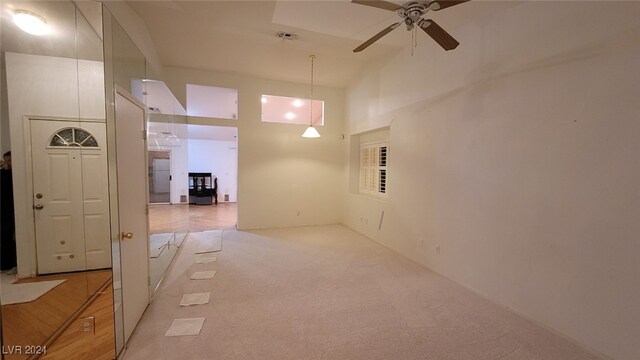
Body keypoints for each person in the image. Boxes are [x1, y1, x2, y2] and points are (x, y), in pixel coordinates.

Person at [1, 151, 17, 271]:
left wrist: (6, 171)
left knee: (10, 235)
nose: (7, 163)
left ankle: (12, 263)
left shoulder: (12, 175)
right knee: (5, 236)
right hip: (5, 209)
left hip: (11, 209)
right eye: (6, 160)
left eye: (9, 160)